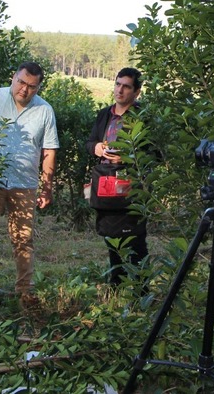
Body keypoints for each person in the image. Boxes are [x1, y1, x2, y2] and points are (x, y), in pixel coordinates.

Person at [0, 61, 59, 303]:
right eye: (21, 82)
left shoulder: (44, 111)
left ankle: (24, 293)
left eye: (32, 86)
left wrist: (46, 187)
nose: (24, 90)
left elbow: (49, 150)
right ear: (13, 77)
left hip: (24, 184)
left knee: (23, 240)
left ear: (38, 87)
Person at [85, 67, 150, 285]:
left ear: (137, 92)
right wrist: (97, 148)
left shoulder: (143, 117)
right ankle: (117, 287)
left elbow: (154, 154)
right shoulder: (105, 114)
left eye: (126, 86)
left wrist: (127, 157)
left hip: (130, 185)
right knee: (111, 236)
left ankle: (141, 290)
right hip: (105, 184)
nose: (120, 90)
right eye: (117, 84)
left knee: (135, 239)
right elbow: (89, 142)